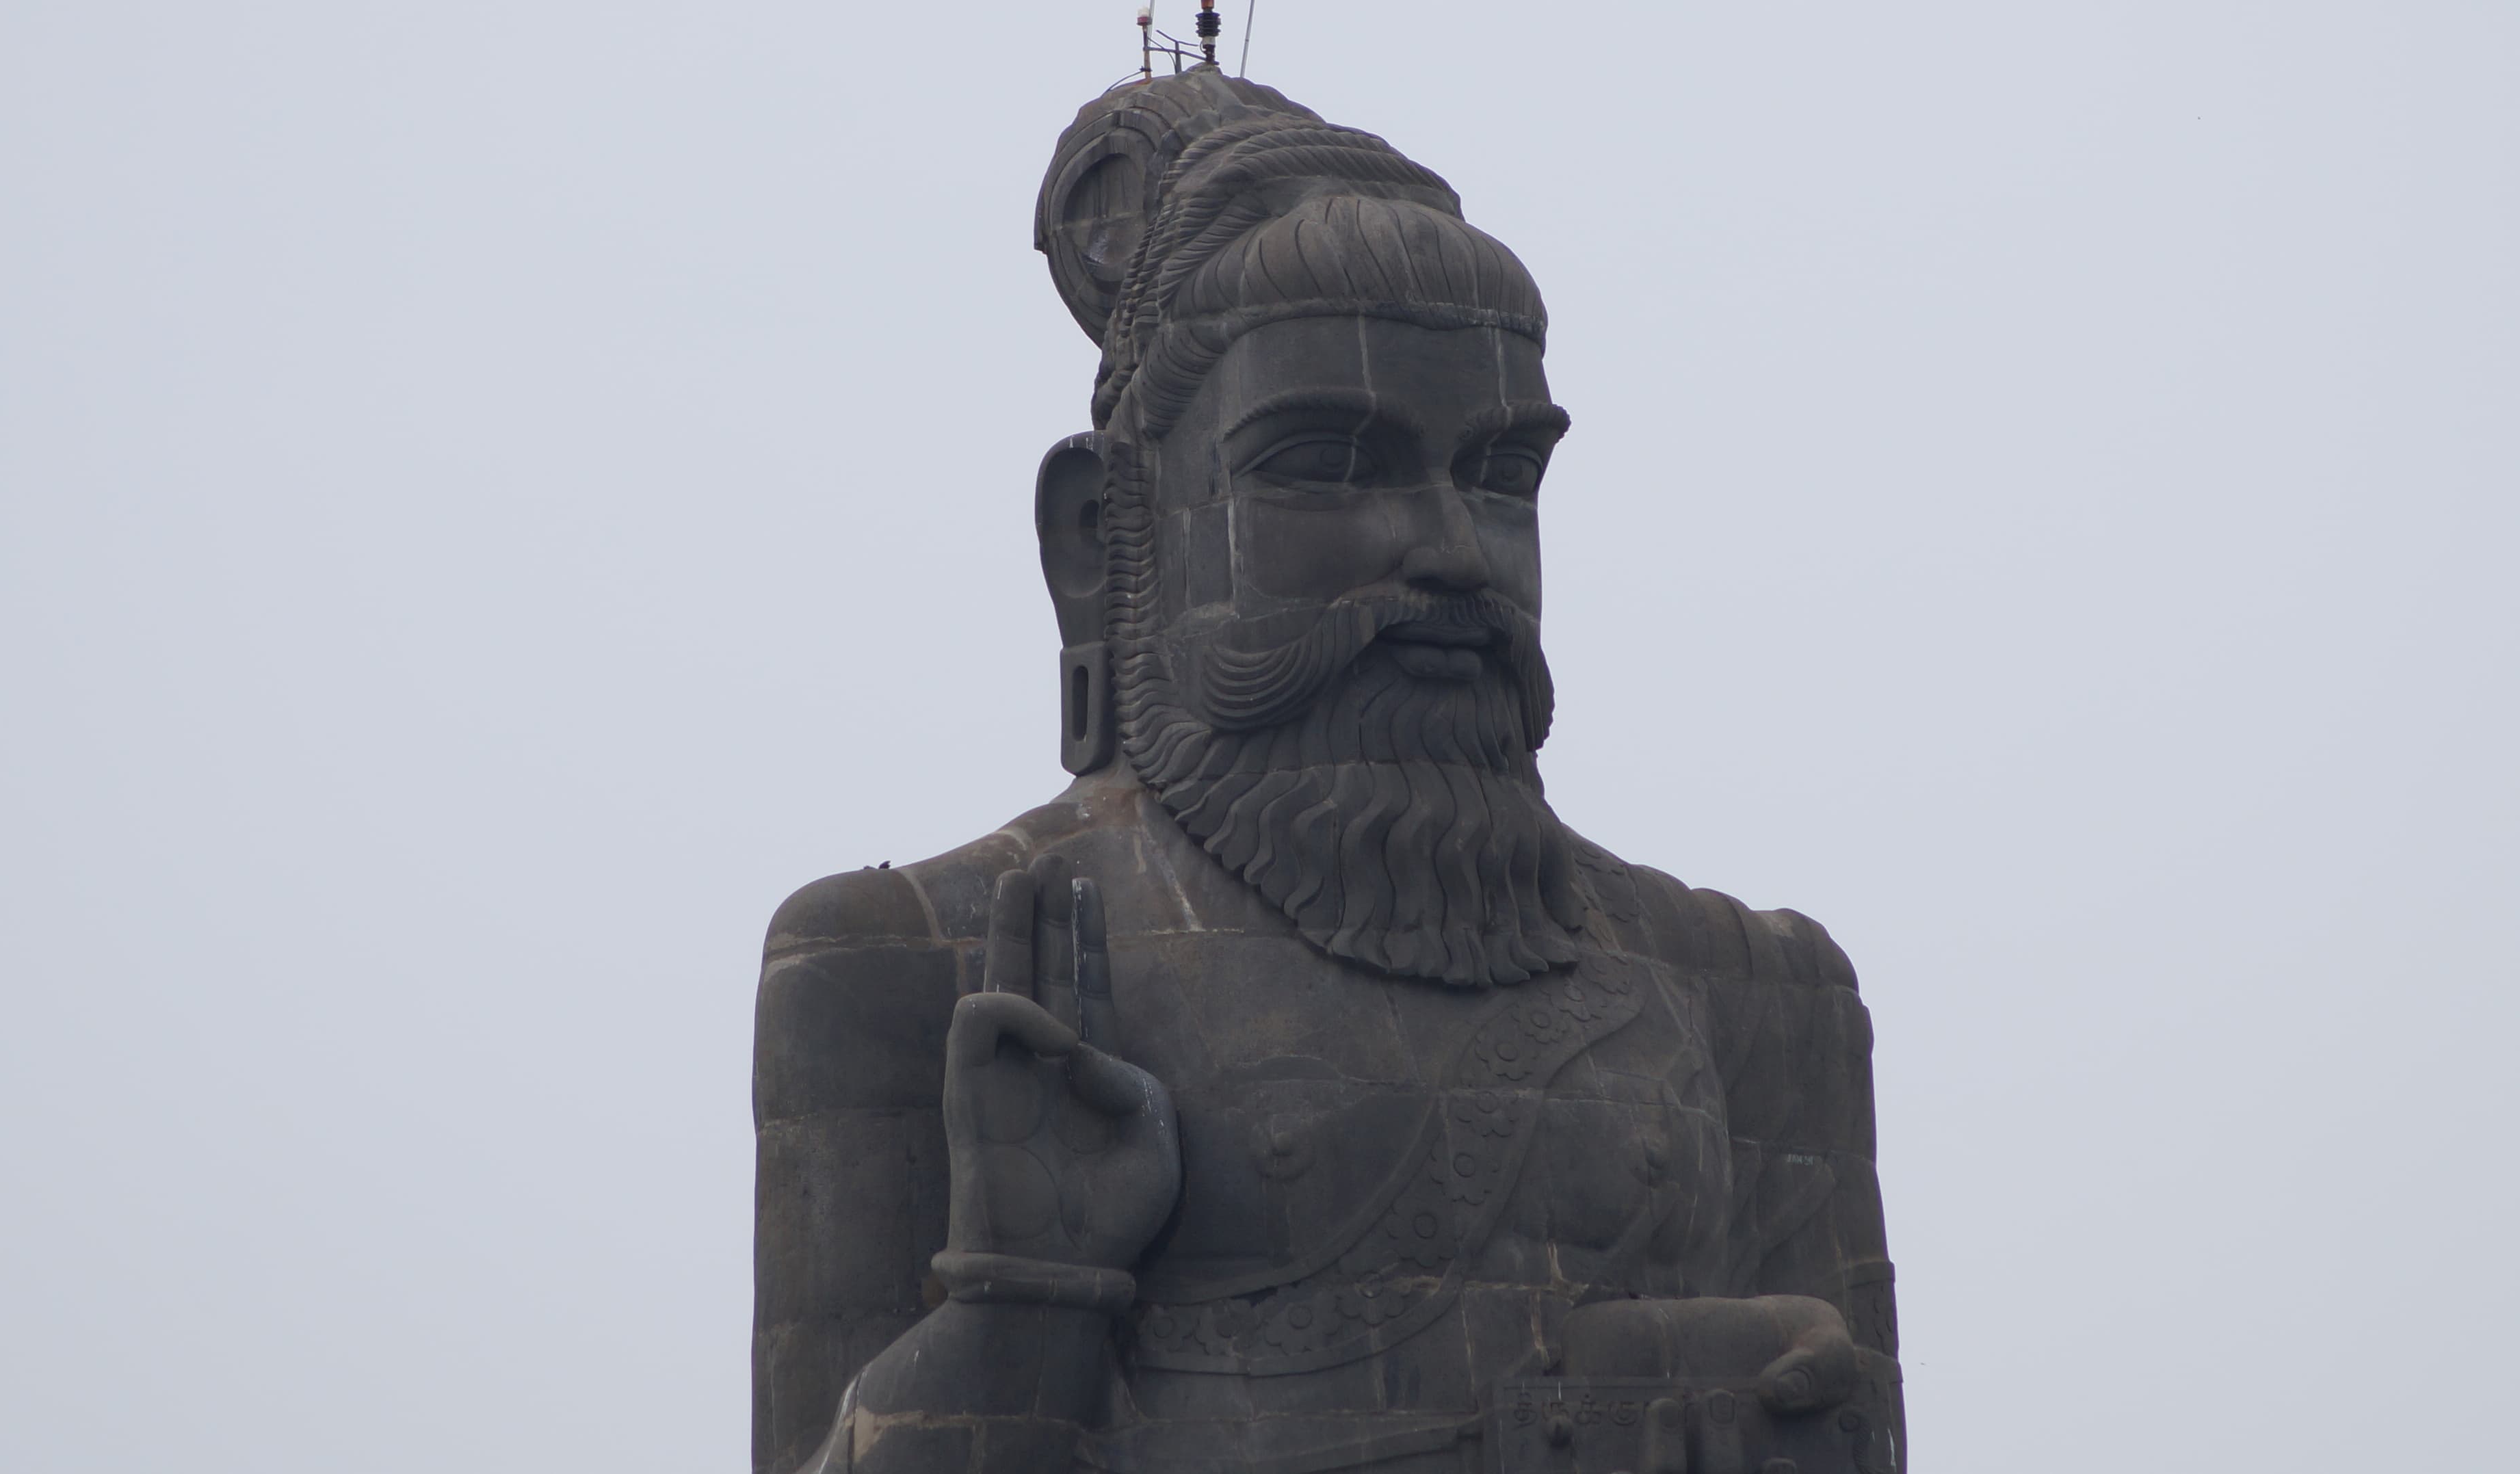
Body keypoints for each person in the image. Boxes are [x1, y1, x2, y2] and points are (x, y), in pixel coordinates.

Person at [752, 69, 1902, 1474]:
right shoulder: (925, 969)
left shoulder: (1751, 994)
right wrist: (1019, 1309)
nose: (1451, 551)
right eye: (1327, 463)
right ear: (1105, 533)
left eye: (1499, 476)